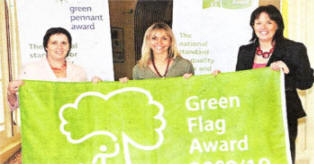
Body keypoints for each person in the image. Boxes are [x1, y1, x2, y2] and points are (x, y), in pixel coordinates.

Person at [236, 5, 314, 163]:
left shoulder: (294, 49)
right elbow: (239, 83)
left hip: (283, 115)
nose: (263, 27)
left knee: (281, 157)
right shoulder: (244, 51)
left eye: (269, 22)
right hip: (252, 115)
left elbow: (306, 82)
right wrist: (217, 78)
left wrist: (288, 70)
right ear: (253, 26)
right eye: (258, 23)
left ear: (278, 25)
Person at [7, 27, 99, 110]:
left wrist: (97, 88)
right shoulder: (30, 70)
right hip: (41, 126)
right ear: (46, 47)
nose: (59, 47)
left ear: (69, 47)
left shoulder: (79, 72)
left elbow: (85, 102)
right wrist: (11, 92)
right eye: (54, 43)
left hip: (69, 125)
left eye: (64, 43)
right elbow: (15, 104)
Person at [119, 22, 194, 83]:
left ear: (171, 41)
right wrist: (126, 87)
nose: (159, 42)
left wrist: (192, 83)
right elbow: (138, 97)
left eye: (164, 38)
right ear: (148, 41)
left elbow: (194, 94)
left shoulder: (185, 65)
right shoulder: (138, 69)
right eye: (154, 38)